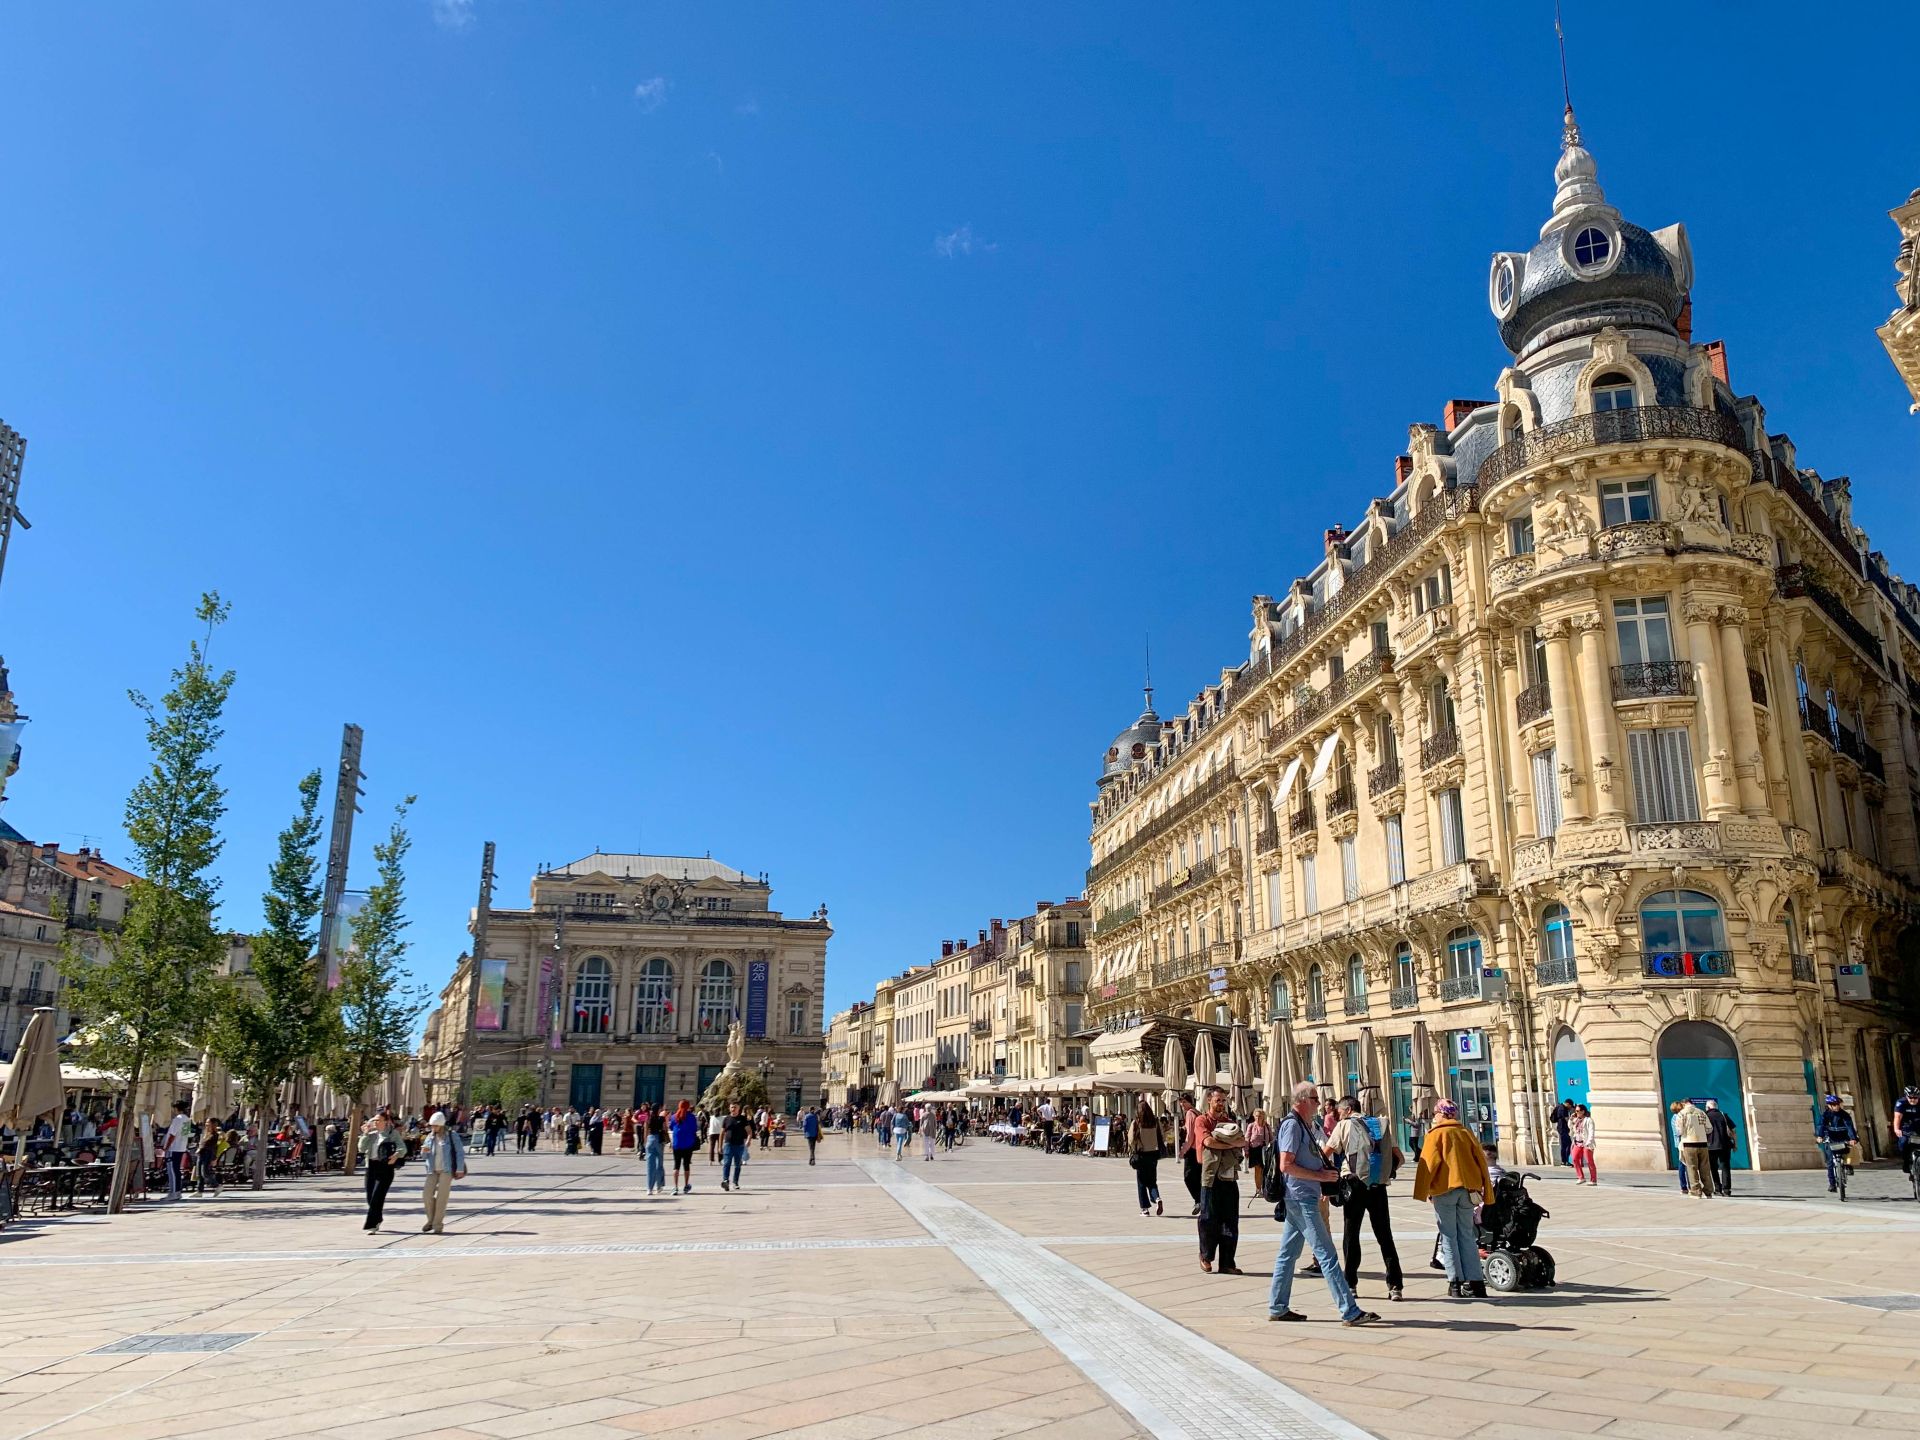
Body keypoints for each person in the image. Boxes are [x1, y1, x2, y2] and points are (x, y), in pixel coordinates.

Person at [1268, 1082, 1378, 1326]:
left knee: (1288, 1254)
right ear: (1303, 1100)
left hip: (1302, 1196)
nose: (1319, 1103)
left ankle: (1277, 1306)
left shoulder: (1304, 1125)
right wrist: (1320, 1177)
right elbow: (1286, 1165)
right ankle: (1349, 1311)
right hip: (1300, 1198)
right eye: (1316, 1098)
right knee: (1327, 1254)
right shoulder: (1292, 1126)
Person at [1413, 1098, 1493, 1298]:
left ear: (1440, 1113)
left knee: (1448, 1236)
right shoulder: (1466, 1133)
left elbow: (1428, 1164)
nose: (1434, 1116)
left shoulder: (1435, 1134)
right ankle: (1476, 1283)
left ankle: (1455, 1282)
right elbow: (1481, 1162)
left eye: (1435, 1113)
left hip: (1444, 1190)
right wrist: (1486, 1189)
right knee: (1467, 1235)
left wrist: (1424, 1191)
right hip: (1468, 1190)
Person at [1329, 1095, 1404, 1303]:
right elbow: (1400, 1158)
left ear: (1347, 1109)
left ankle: (1351, 1283)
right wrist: (1383, 1173)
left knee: (1351, 1235)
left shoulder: (1344, 1125)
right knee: (1385, 1236)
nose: (1338, 1115)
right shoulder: (1380, 1125)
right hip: (1378, 1187)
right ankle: (1395, 1285)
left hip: (1354, 1185)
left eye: (1339, 1112)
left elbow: (1327, 1152)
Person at [1195, 1088, 1246, 1275]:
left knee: (1231, 1221)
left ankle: (1227, 1263)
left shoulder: (1229, 1123)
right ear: (1209, 1100)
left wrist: (1231, 1143)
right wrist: (1231, 1144)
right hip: (1210, 1178)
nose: (1221, 1104)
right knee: (1209, 1219)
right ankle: (1206, 1256)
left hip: (1229, 1176)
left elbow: (1243, 1141)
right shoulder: (1202, 1121)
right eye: (1218, 1100)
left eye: (1223, 1100)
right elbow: (1208, 1142)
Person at [419, 1111, 467, 1234]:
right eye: (431, 1126)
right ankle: (430, 1220)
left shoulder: (451, 1135)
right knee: (426, 1195)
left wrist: (459, 1168)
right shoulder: (430, 1137)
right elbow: (424, 1155)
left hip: (447, 1170)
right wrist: (424, 1151)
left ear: (441, 1125)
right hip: (432, 1170)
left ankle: (437, 1225)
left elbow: (459, 1152)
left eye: (435, 1126)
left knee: (442, 1198)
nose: (433, 1128)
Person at [358, 1112, 404, 1232]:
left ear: (386, 1121)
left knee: (377, 1197)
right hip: (371, 1166)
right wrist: (365, 1134)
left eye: (379, 1120)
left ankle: (372, 1225)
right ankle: (378, 1218)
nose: (375, 1122)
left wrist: (396, 1155)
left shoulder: (392, 1134)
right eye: (374, 1120)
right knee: (370, 1197)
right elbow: (361, 1148)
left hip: (385, 1167)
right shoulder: (371, 1134)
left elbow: (402, 1148)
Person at [1815, 1094, 1858, 1192]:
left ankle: (1848, 1165)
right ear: (1829, 1105)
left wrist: (1852, 1138)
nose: (1836, 1106)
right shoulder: (1825, 1115)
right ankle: (1832, 1184)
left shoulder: (1845, 1115)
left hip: (1843, 1137)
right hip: (1830, 1138)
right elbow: (1820, 1126)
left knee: (1848, 1151)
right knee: (1830, 1162)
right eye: (1833, 1104)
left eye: (1838, 1104)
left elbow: (1849, 1127)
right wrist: (1820, 1136)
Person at [1130, 1100, 1165, 1216]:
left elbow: (1131, 1140)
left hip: (1141, 1154)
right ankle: (1157, 1198)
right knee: (1152, 1181)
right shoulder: (1155, 1122)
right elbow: (1162, 1136)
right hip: (1153, 1154)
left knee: (1141, 1182)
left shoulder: (1136, 1123)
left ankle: (1144, 1209)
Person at [1674, 1099, 1713, 1198]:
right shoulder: (1702, 1113)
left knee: (1692, 1168)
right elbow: (1709, 1129)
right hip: (1703, 1143)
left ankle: (1696, 1191)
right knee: (1705, 1168)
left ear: (1683, 1103)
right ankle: (1708, 1191)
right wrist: (1700, 1131)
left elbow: (1679, 1131)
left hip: (1689, 1143)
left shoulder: (1681, 1114)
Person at [1176, 1095, 1203, 1216]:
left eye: (1184, 1101)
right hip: (1200, 1149)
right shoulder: (1198, 1112)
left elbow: (1190, 1136)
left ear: (1190, 1102)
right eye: (1181, 1102)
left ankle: (1199, 1200)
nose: (1182, 1104)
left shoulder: (1190, 1114)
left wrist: (1183, 1150)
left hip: (1192, 1150)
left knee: (1188, 1177)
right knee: (1198, 1177)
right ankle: (1202, 1200)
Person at [1704, 1099, 1737, 1196]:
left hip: (1711, 1146)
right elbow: (1734, 1130)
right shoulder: (1724, 1115)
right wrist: (1735, 1144)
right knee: (1725, 1167)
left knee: (1713, 1168)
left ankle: (1717, 1189)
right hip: (1725, 1145)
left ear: (1708, 1107)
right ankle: (1727, 1190)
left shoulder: (1706, 1116)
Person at [668, 1100, 699, 1195]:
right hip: (688, 1144)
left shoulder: (674, 1117)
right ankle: (686, 1186)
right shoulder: (692, 1117)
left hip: (677, 1144)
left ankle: (675, 1187)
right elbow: (695, 1129)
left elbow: (671, 1127)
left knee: (676, 1165)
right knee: (686, 1165)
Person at [163, 1100, 192, 1201]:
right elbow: (186, 1134)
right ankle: (178, 1191)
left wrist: (166, 1147)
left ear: (176, 1108)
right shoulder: (188, 1119)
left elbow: (172, 1134)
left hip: (174, 1147)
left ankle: (174, 1191)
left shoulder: (177, 1119)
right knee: (177, 1170)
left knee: (172, 1171)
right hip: (181, 1147)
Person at [720, 1102, 751, 1191]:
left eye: (735, 1107)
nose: (733, 1109)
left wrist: (749, 1139)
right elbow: (722, 1133)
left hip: (739, 1145)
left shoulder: (742, 1119)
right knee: (726, 1163)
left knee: (737, 1165)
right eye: (732, 1107)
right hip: (728, 1144)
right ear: (729, 1108)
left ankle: (735, 1182)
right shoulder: (726, 1119)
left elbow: (749, 1131)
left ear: (738, 1108)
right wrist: (719, 1146)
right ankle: (725, 1180)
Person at [1891, 1085, 1919, 1180]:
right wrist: (1896, 1129)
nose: (1913, 1100)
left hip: (1918, 1126)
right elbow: (1897, 1117)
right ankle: (1907, 1162)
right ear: (1906, 1097)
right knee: (1903, 1142)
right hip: (1906, 1127)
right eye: (1910, 1097)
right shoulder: (1901, 1103)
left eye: (1915, 1098)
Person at [1245, 1108, 1272, 1200]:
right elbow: (1247, 1139)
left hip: (1264, 1150)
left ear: (1263, 1116)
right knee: (1258, 1170)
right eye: (1256, 1116)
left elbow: (1272, 1139)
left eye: (1259, 1116)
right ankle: (1258, 1189)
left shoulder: (1267, 1126)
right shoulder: (1251, 1126)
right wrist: (1246, 1150)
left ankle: (1264, 1188)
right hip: (1254, 1150)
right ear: (1254, 1116)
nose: (1258, 1117)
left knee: (1265, 1170)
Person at [1568, 1104, 1597, 1185]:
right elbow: (1570, 1126)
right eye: (1575, 1111)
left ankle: (1593, 1180)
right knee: (1574, 1158)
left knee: (1589, 1161)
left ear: (1583, 1111)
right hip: (1577, 1142)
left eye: (1577, 1111)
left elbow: (1591, 1132)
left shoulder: (1588, 1120)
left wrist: (1589, 1142)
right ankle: (1581, 1177)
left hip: (1586, 1143)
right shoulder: (1576, 1120)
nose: (1576, 1112)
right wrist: (1571, 1119)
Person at [1549, 1097, 1572, 1168]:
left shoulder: (1559, 1107)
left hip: (1561, 1128)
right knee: (1567, 1144)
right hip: (1563, 1128)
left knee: (1565, 1145)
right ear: (1568, 1104)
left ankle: (1564, 1161)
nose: (1570, 1108)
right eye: (1570, 1106)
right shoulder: (1562, 1108)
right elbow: (1565, 1119)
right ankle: (1564, 1161)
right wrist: (1572, 1121)